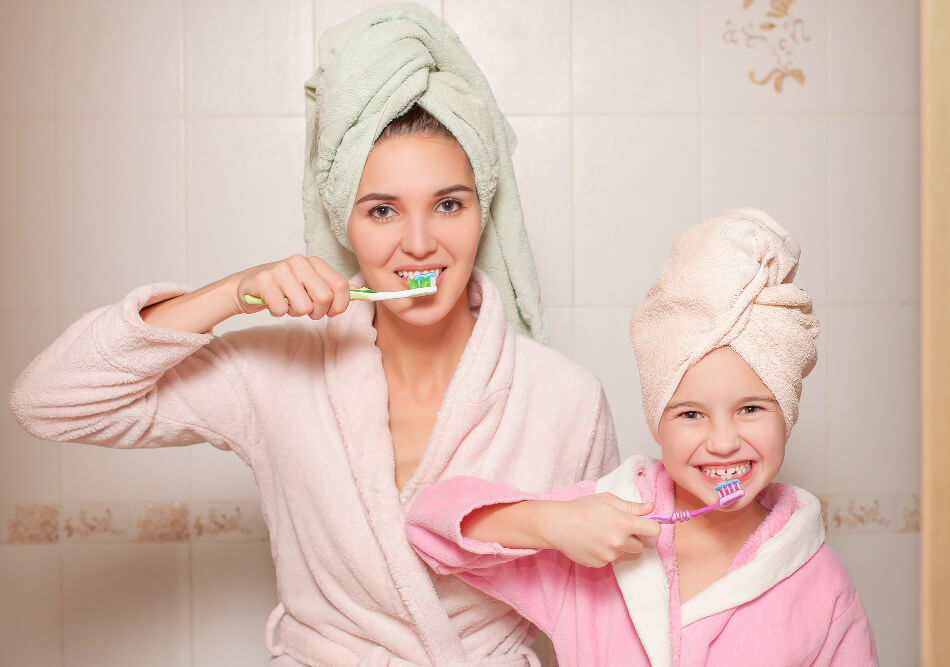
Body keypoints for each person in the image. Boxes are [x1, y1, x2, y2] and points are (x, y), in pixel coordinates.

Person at [7, 4, 618, 665]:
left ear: (482, 210)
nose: (419, 243)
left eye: (449, 203)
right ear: (345, 223)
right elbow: (47, 400)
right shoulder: (278, 374)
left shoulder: (566, 399)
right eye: (382, 210)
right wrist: (232, 291)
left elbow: (609, 613)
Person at [406, 209, 879, 666]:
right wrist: (551, 524)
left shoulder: (821, 585)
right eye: (690, 413)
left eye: (750, 408)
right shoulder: (595, 534)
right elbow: (427, 523)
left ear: (786, 413)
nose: (722, 442)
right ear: (657, 421)